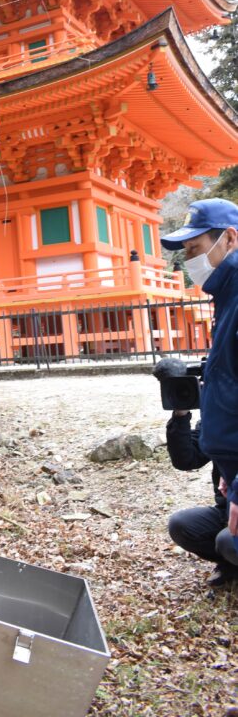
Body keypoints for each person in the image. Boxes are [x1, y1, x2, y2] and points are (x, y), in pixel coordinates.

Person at [161, 197, 238, 578]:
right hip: (230, 475)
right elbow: (187, 458)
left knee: (229, 542)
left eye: (194, 247)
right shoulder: (225, 299)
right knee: (186, 526)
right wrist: (179, 406)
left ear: (230, 238)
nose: (188, 259)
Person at [166, 408, 238, 587]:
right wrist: (180, 416)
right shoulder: (218, 416)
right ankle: (232, 565)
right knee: (182, 525)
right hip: (227, 511)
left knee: (228, 541)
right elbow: (186, 459)